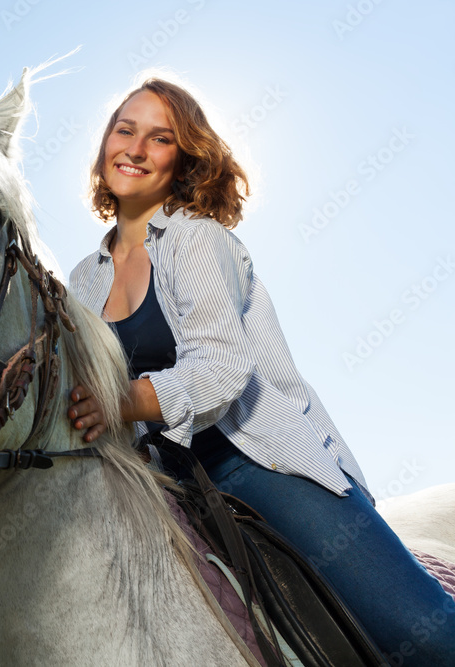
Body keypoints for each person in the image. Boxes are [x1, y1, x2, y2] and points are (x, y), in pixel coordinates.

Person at [66, 77, 455, 664]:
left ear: (183, 160)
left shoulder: (197, 239)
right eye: (125, 129)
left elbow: (222, 371)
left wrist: (118, 401)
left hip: (249, 458)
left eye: (160, 138)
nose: (136, 148)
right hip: (156, 482)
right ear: (104, 145)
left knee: (423, 636)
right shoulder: (82, 280)